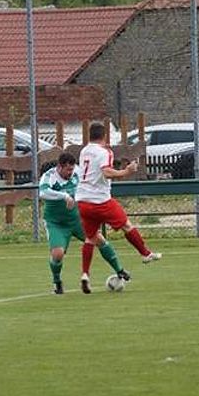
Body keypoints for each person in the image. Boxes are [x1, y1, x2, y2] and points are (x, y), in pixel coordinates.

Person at [75, 122, 161, 293]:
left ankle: (85, 274)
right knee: (127, 226)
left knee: (90, 238)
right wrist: (127, 171)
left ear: (90, 136)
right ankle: (145, 254)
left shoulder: (84, 151)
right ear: (104, 135)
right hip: (101, 201)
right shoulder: (104, 152)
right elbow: (106, 172)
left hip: (83, 201)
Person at [40, 152, 129, 294]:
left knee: (99, 240)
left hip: (78, 219)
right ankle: (57, 282)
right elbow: (43, 192)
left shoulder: (78, 171)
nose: (70, 173)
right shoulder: (49, 176)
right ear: (59, 167)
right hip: (57, 223)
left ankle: (120, 270)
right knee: (57, 254)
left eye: (72, 169)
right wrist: (64, 196)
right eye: (68, 170)